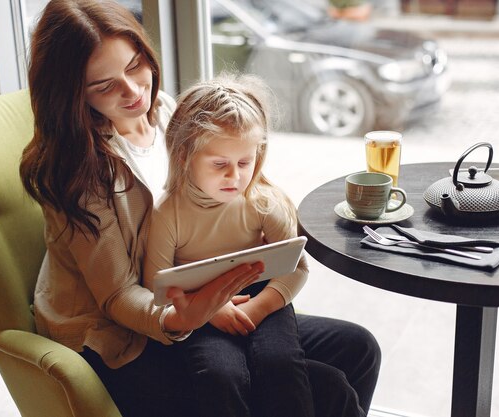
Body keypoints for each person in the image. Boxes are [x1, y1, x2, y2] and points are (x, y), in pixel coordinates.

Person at [19, 1, 380, 416]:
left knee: (358, 348)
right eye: (104, 85)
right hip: (117, 333)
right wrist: (184, 315)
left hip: (199, 299)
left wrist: (254, 230)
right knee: (328, 389)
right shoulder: (78, 175)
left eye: (136, 65)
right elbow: (118, 295)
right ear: (72, 95)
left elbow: (236, 181)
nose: (134, 91)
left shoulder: (168, 112)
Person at [143, 74, 314, 417]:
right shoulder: (167, 213)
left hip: (262, 296)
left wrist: (259, 308)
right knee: (221, 376)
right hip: (198, 311)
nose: (234, 176)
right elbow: (156, 284)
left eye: (245, 163)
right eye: (219, 164)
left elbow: (297, 268)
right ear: (183, 157)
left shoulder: (263, 201)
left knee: (280, 365)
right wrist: (211, 309)